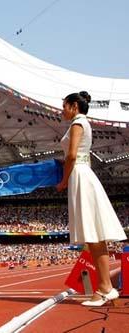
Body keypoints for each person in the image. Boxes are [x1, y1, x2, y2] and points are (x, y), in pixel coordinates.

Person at [56, 91, 127, 306]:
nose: (62, 110)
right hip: (84, 172)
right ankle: (105, 287)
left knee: (94, 235)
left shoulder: (77, 124)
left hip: (79, 174)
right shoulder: (82, 123)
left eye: (64, 105)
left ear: (74, 106)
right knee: (95, 237)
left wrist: (64, 180)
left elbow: (72, 155)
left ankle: (105, 288)